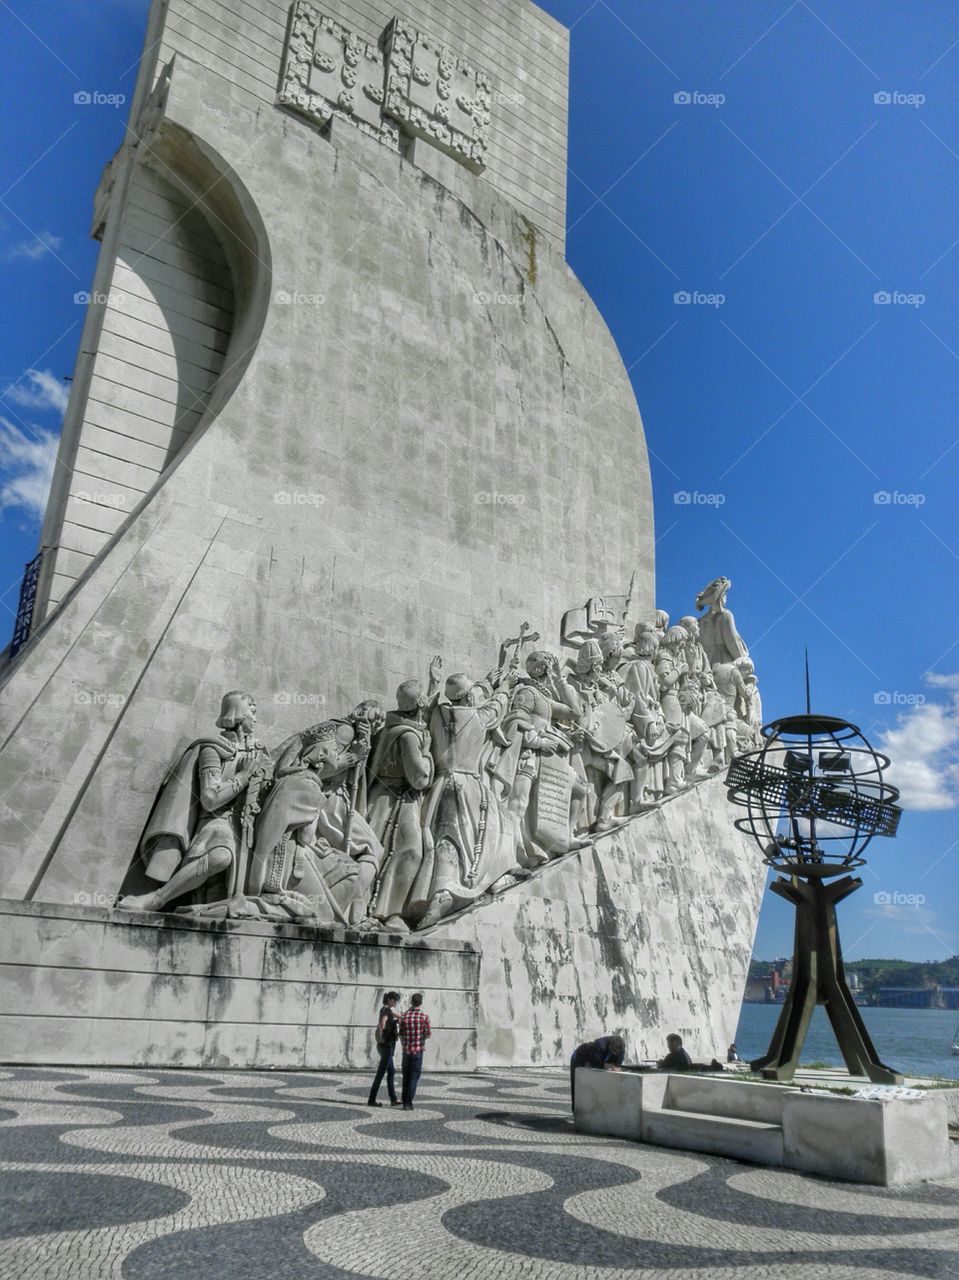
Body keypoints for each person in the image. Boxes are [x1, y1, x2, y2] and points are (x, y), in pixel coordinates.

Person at [569, 1033, 626, 1111]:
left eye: (618, 1052)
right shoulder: (600, 1044)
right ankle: (577, 1111)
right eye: (614, 1051)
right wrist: (605, 1065)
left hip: (595, 1059)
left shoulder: (621, 1049)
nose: (616, 1054)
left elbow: (617, 1065)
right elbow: (595, 1062)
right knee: (577, 1084)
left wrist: (615, 1067)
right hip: (580, 1057)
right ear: (610, 1047)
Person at [398, 992, 432, 1109]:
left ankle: (404, 1100)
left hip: (406, 1051)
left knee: (406, 1076)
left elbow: (401, 1034)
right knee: (414, 1076)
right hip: (418, 1051)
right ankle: (408, 1102)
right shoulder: (424, 1017)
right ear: (421, 1003)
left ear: (411, 1002)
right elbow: (428, 1034)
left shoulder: (404, 1016)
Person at [368, 991, 401, 1107]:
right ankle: (371, 1100)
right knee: (380, 1074)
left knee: (391, 1072)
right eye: (395, 1000)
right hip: (386, 1046)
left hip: (387, 1046)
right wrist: (384, 1028)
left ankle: (393, 1099)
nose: (396, 1002)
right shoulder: (387, 1010)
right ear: (390, 1000)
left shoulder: (386, 1010)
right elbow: (383, 1022)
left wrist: (397, 1020)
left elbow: (397, 1017)